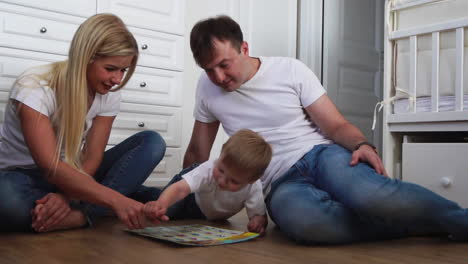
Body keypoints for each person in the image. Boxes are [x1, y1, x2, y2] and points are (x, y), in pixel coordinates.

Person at [184, 15, 468, 244]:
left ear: (244, 48)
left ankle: (458, 220)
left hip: (321, 156)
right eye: (209, 69)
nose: (218, 77)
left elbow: (334, 125)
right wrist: (179, 194)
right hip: (278, 183)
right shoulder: (207, 87)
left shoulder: (290, 70)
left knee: (371, 196)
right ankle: (415, 226)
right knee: (306, 224)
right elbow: (198, 150)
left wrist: (360, 145)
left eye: (224, 65)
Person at [0, 13, 166, 233]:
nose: (117, 79)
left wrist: (67, 195)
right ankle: (117, 200)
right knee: (8, 203)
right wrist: (116, 200)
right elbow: (51, 168)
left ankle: (82, 214)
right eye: (110, 69)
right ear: (85, 57)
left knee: (152, 142)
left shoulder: (109, 93)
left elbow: (92, 156)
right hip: (22, 176)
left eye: (123, 70)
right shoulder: (34, 87)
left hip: (75, 173)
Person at [144, 129, 272, 234]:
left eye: (233, 181)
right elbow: (180, 189)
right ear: (221, 153)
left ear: (251, 180)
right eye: (221, 170)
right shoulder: (209, 169)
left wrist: (257, 223)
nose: (222, 181)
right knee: (161, 211)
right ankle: (134, 192)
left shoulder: (254, 187)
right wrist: (161, 203)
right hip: (190, 195)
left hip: (203, 213)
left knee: (168, 212)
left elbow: (259, 215)